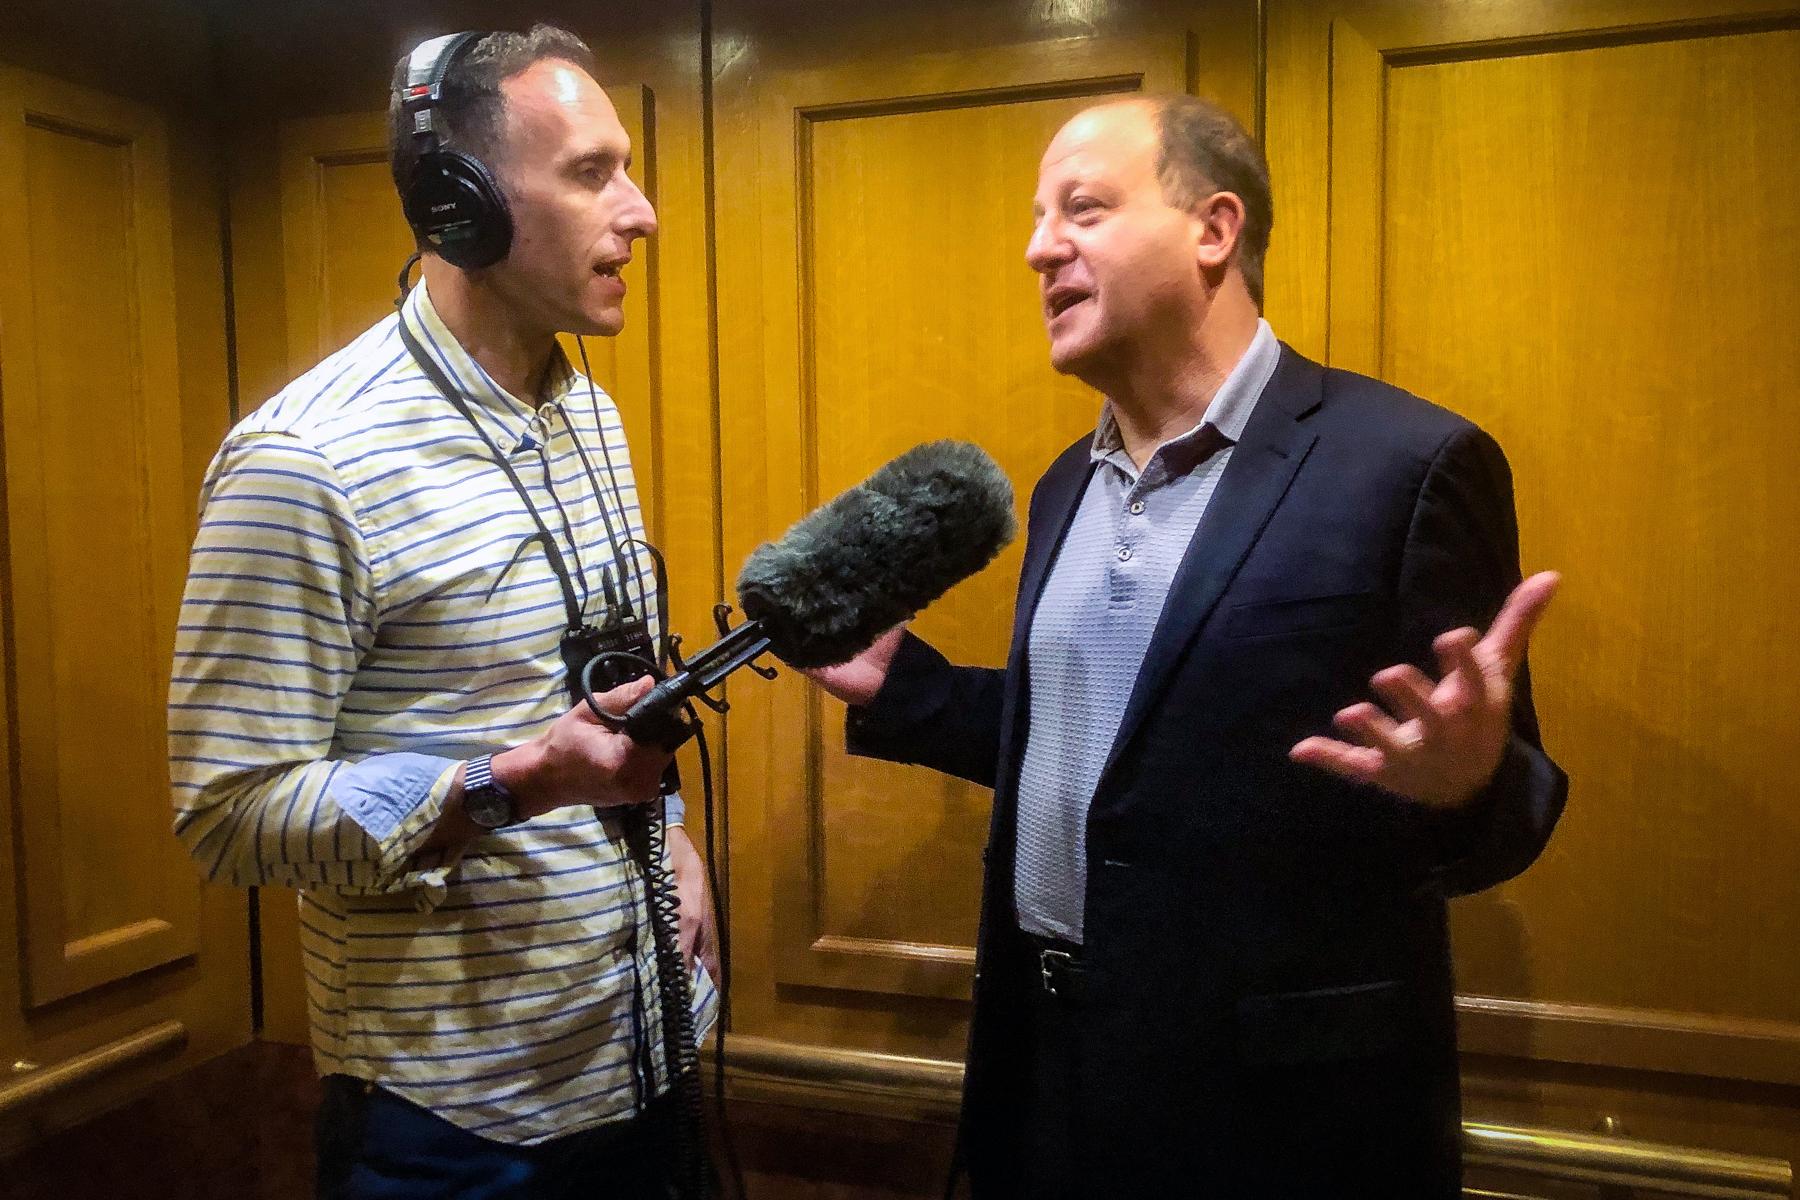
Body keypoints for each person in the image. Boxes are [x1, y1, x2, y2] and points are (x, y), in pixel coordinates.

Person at [809, 95, 1567, 1197]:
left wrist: (1466, 785)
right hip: (1046, 1083)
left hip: (1278, 1130)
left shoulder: (1408, 466)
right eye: (1036, 221)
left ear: (1214, 230)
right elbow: (1130, 750)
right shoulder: (1068, 482)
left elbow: (1508, 802)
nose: (1037, 249)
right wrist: (909, 690)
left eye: (1082, 209)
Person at [169, 26, 716, 1199]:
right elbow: (227, 811)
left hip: (640, 1067)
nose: (643, 211)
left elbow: (602, 692)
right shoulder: (304, 461)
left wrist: (670, 840)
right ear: (458, 202)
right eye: (590, 172)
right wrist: (512, 783)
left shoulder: (589, 418)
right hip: (449, 1126)